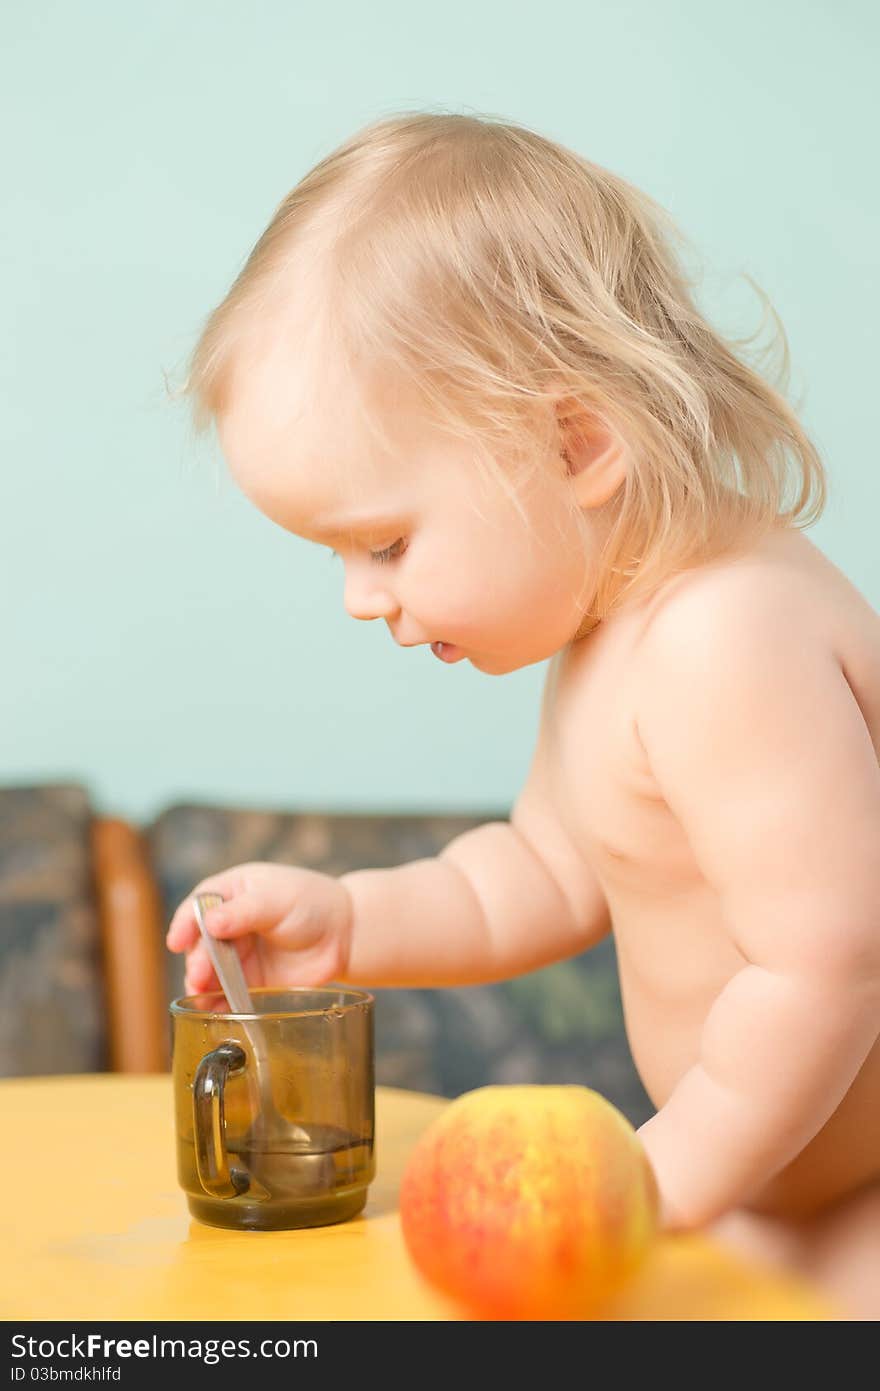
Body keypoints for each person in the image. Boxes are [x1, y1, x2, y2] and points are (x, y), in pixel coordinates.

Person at [165, 111, 880, 1317]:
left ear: (574, 441)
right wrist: (350, 921)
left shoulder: (723, 635)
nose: (359, 599)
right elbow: (541, 873)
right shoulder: (610, 632)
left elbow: (828, 961)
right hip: (777, 1193)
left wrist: (661, 1176)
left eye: (383, 541)